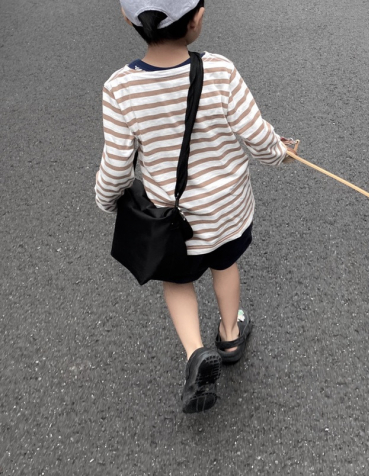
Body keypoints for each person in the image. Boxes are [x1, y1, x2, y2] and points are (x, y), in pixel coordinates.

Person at [95, 0, 296, 413]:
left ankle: (195, 354)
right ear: (197, 19)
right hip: (227, 211)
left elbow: (117, 166)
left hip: (174, 221)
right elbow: (257, 136)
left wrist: (106, 200)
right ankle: (230, 333)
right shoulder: (220, 71)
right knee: (225, 266)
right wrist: (282, 153)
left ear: (128, 17)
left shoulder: (120, 88)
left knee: (178, 281)